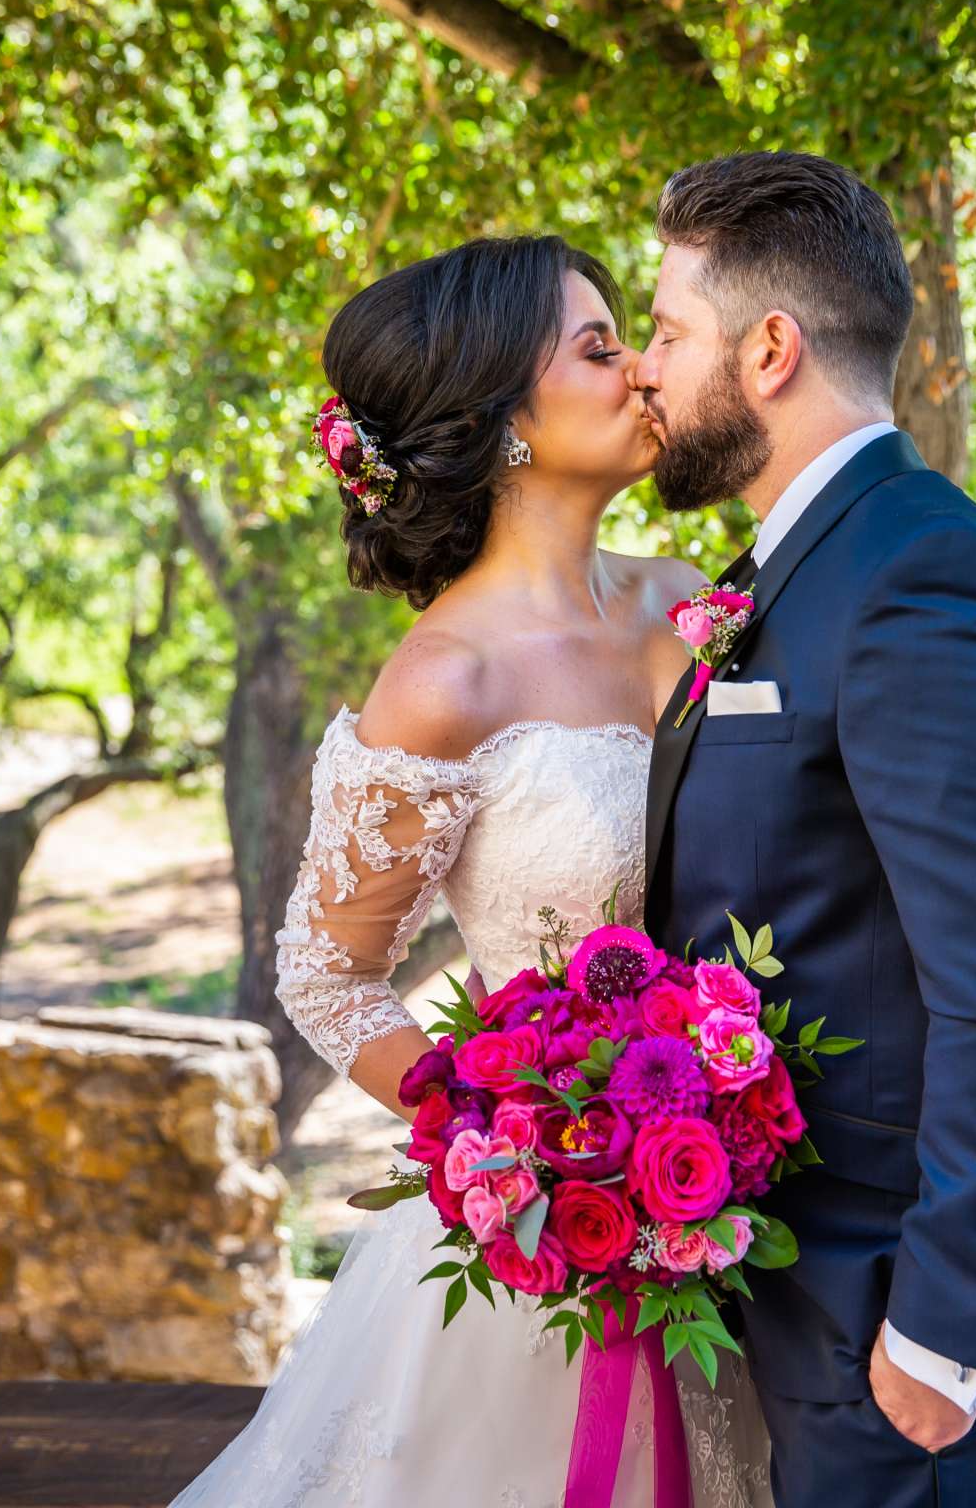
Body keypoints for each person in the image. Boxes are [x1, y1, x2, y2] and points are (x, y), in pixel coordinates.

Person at [167, 233, 775, 1508]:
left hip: (743, 1225)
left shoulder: (695, 602)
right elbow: (327, 974)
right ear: (504, 418)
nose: (644, 374)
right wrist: (513, 1137)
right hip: (541, 1268)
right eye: (600, 348)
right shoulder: (449, 678)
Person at [634, 150, 976, 1507]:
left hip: (914, 1316)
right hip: (824, 1285)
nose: (645, 370)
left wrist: (947, 1328)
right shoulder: (804, 569)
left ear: (770, 351)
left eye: (664, 332)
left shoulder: (924, 581)